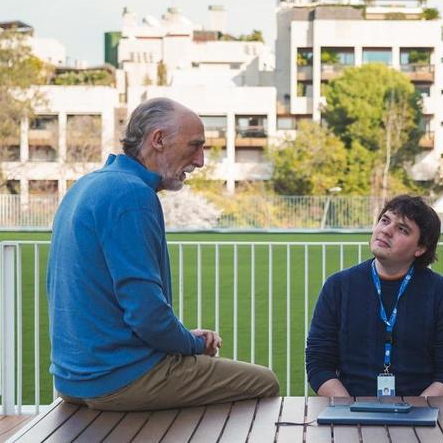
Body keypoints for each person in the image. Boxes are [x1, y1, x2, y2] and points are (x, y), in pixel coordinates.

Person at [47, 97, 279, 411]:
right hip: (120, 379)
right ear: (158, 140)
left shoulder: (87, 185)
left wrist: (183, 338)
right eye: (195, 146)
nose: (200, 161)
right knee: (264, 382)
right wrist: (195, 345)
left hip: (71, 380)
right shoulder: (132, 195)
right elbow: (146, 314)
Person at [306, 195, 443, 397]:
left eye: (402, 229)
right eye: (385, 220)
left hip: (419, 412)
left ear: (420, 248)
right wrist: (347, 409)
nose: (386, 230)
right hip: (349, 411)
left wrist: (415, 410)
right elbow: (319, 363)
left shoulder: (442, 293)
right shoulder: (338, 287)